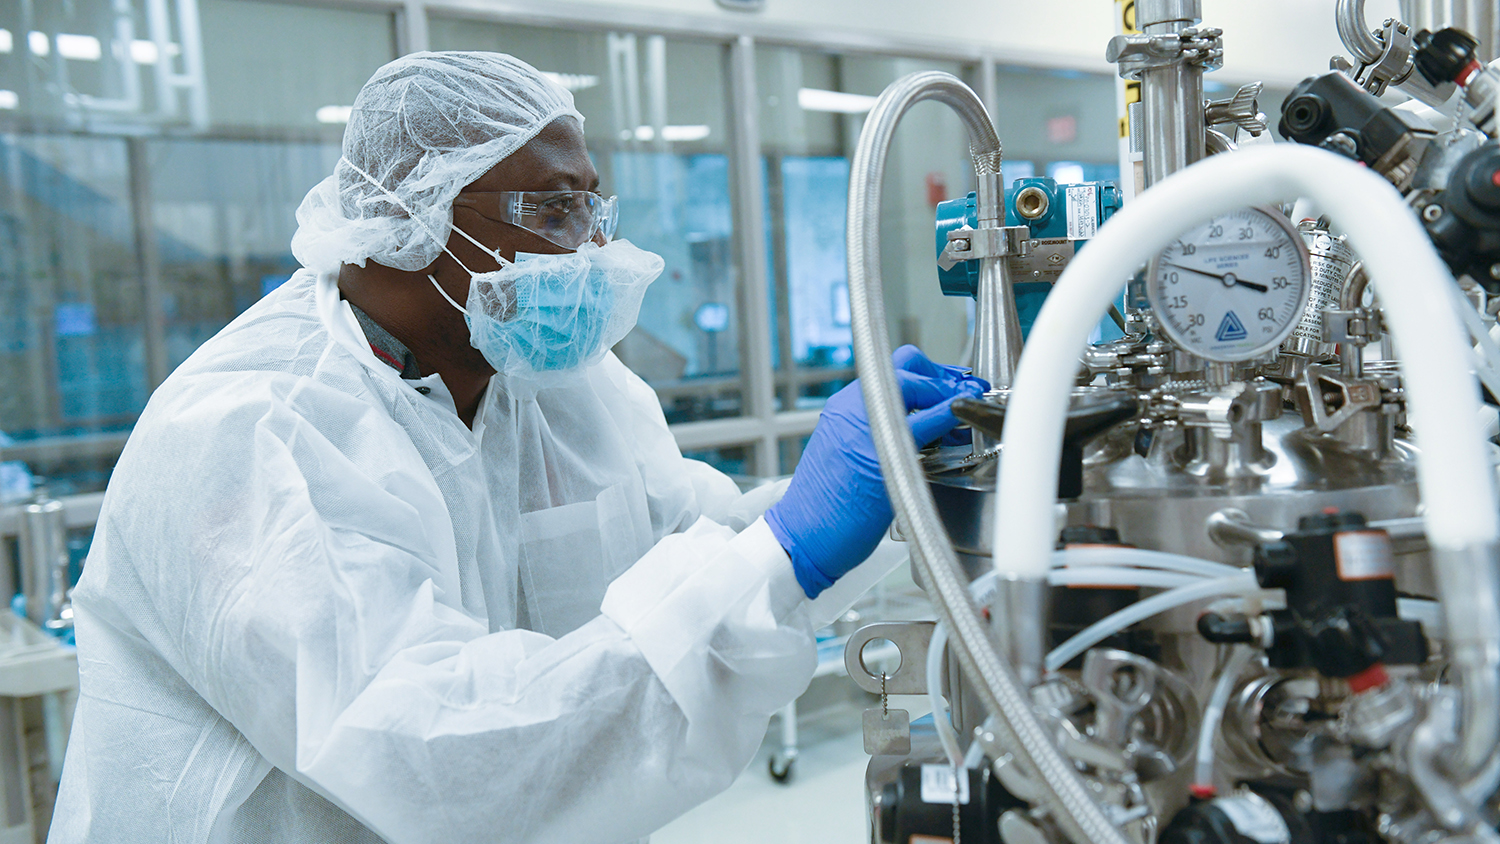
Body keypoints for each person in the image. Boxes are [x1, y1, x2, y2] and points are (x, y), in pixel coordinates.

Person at [48, 52, 984, 844]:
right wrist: (789, 550)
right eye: (550, 211)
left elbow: (691, 538)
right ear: (409, 218)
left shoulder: (553, 382)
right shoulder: (250, 429)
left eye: (590, 209)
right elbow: (430, 749)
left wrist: (898, 496)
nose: (588, 251)